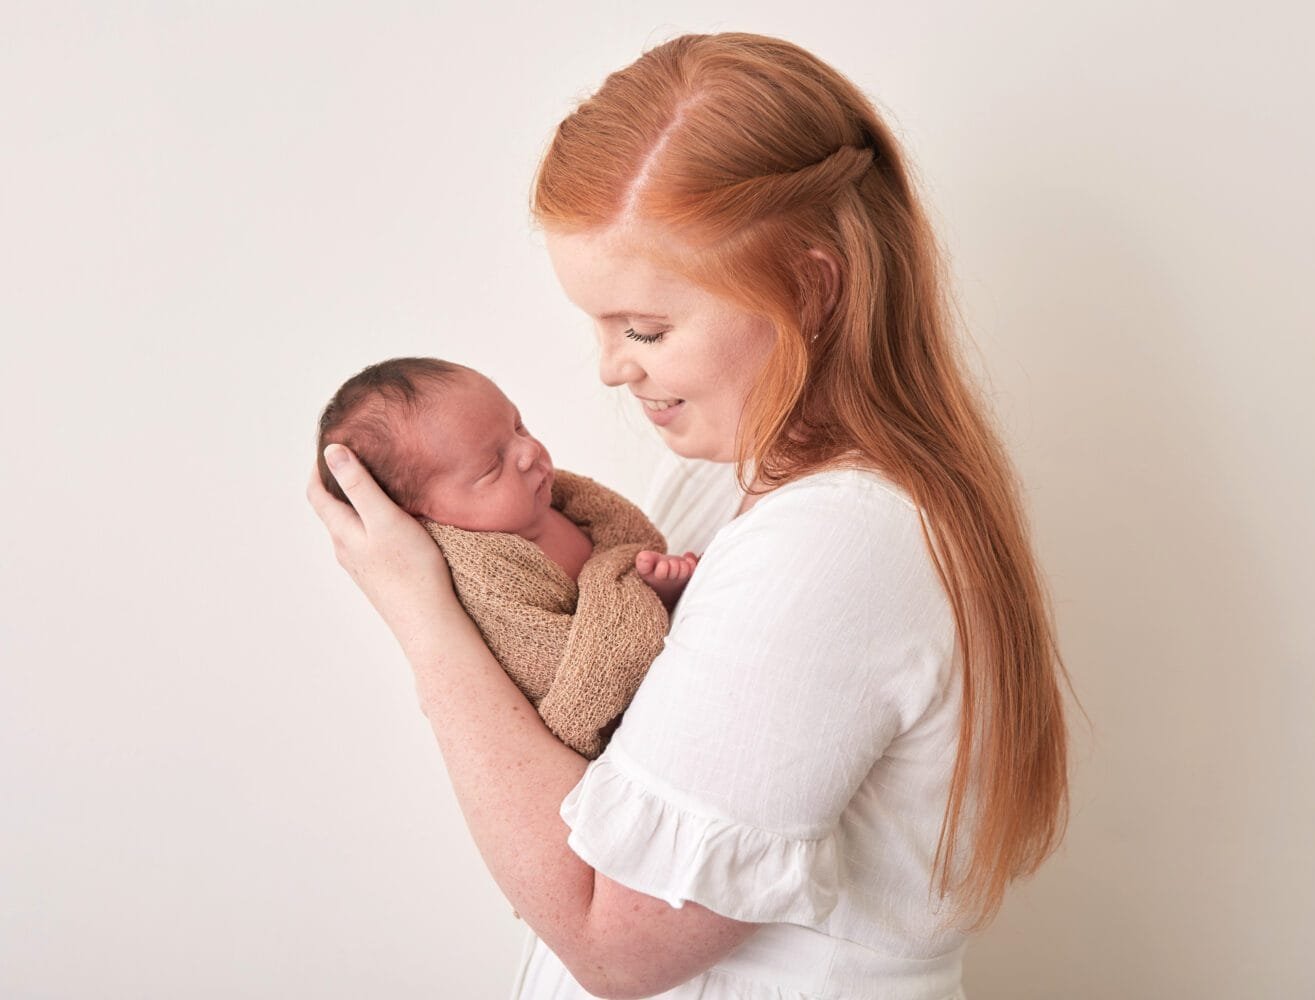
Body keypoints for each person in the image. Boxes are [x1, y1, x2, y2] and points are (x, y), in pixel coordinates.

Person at [307, 31, 1074, 1000]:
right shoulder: (723, 483)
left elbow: (615, 941)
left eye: (646, 328)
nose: (611, 367)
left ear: (810, 286)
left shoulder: (836, 543)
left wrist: (421, 613)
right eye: (598, 324)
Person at [313, 356, 699, 760]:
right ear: (418, 519)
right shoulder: (482, 576)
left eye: (518, 426)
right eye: (492, 467)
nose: (530, 451)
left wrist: (640, 576)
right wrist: (639, 591)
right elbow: (559, 668)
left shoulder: (560, 503)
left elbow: (621, 546)